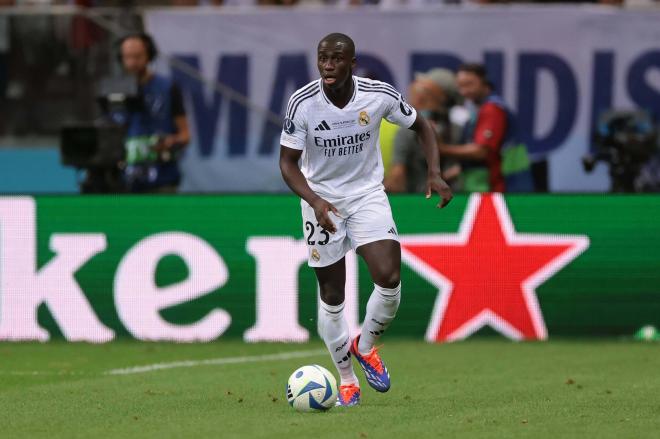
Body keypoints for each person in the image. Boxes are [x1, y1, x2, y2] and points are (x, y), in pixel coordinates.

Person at [279, 33, 452, 407]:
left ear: (351, 63)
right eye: (322, 58)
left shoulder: (378, 95)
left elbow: (422, 126)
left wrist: (434, 171)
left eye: (336, 59)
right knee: (332, 295)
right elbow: (287, 164)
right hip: (319, 201)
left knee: (389, 278)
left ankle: (366, 346)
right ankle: (346, 381)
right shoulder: (302, 103)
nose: (328, 65)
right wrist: (314, 200)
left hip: (367, 196)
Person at [115, 33, 190, 193]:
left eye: (137, 57)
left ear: (149, 56)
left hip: (163, 179)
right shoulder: (113, 90)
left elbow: (185, 135)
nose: (132, 63)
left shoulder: (168, 87)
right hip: (123, 180)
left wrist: (171, 142)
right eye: (127, 57)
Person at [385, 68, 462, 193]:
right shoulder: (459, 128)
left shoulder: (409, 129)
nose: (414, 90)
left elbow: (397, 177)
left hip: (418, 202)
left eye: (422, 88)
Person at [437, 63, 510, 192]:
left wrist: (441, 149)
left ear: (484, 82)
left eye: (469, 84)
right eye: (460, 86)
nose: (464, 91)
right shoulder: (477, 109)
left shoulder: (492, 110)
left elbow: (480, 152)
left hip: (501, 185)